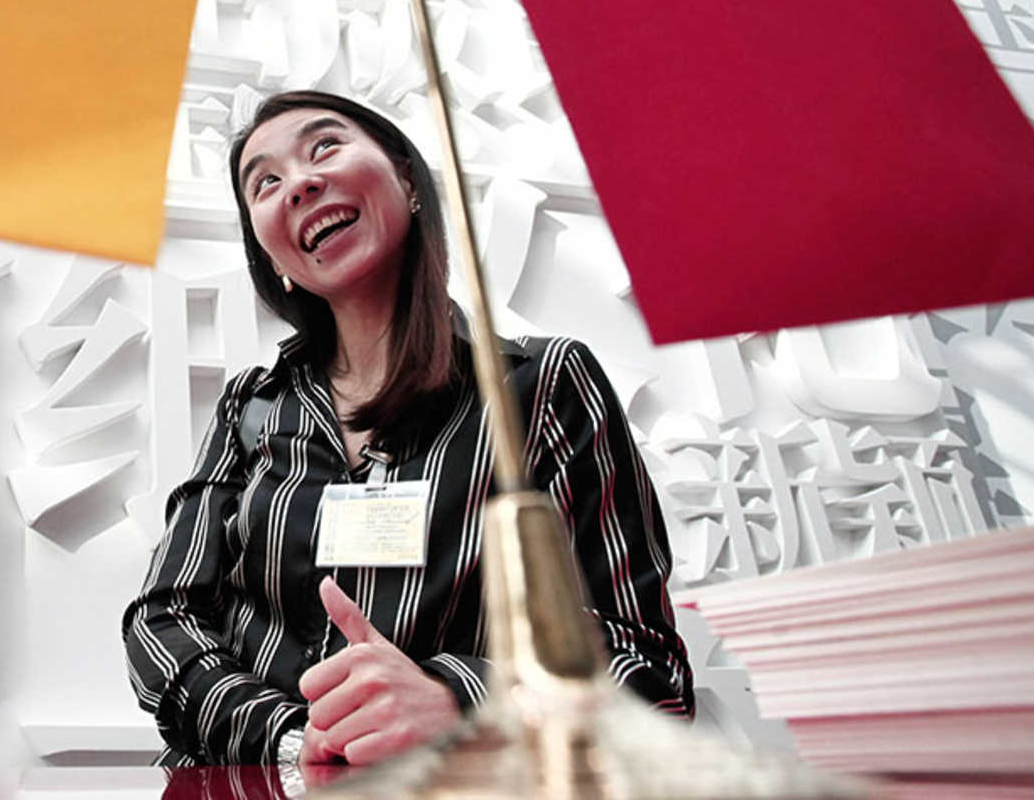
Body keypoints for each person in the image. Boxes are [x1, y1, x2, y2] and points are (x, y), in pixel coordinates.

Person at [122, 90, 692, 770]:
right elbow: (161, 621)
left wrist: (459, 696)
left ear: (406, 179)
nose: (299, 182)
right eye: (264, 182)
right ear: (272, 255)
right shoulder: (252, 405)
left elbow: (647, 666)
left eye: (325, 146)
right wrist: (289, 736)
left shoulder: (540, 383)